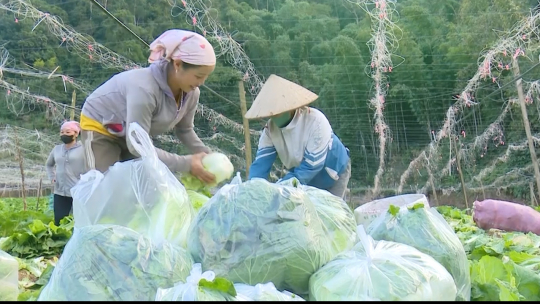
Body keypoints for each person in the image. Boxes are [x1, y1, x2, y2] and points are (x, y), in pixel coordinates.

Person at [79, 29, 216, 184]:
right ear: (177, 64)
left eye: (206, 77)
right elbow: (137, 145)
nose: (202, 82)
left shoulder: (191, 93)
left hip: (133, 134)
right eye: (198, 76)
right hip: (102, 127)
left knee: (139, 190)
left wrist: (207, 156)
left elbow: (184, 130)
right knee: (104, 187)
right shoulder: (145, 89)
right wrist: (186, 163)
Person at [245, 74, 351, 199]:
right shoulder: (270, 130)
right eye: (271, 112)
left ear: (290, 108)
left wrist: (281, 187)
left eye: (277, 111)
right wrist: (252, 187)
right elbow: (262, 163)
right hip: (303, 176)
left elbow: (312, 166)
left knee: (331, 214)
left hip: (332, 169)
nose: (273, 115)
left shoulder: (315, 121)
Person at [45, 121, 86, 225]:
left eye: (68, 132)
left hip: (77, 191)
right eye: (62, 132)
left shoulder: (83, 149)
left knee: (79, 221)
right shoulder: (57, 149)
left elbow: (91, 166)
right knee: (59, 221)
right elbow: (49, 164)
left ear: (76, 134)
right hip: (60, 191)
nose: (64, 134)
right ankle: (61, 240)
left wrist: (85, 181)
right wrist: (52, 177)